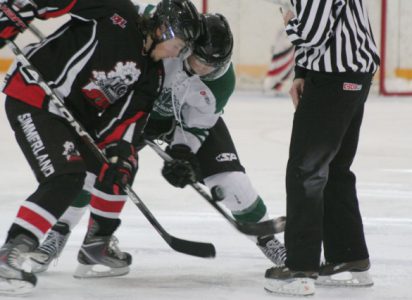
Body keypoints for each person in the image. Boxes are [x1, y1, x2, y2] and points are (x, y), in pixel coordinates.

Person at [27, 12, 287, 275]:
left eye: (214, 66)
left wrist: (182, 152)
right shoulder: (165, 46)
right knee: (90, 172)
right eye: (200, 61)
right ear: (187, 46)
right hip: (132, 112)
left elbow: (198, 124)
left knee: (230, 181)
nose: (205, 70)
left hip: (180, 122)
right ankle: (59, 234)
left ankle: (269, 241)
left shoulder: (221, 82)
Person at [0, 0, 202, 295]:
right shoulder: (118, 12)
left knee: (123, 165)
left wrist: (120, 153)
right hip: (35, 97)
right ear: (162, 28)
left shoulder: (152, 73)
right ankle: (12, 252)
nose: (178, 53)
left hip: (72, 118)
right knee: (67, 177)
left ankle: (97, 244)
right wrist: (16, 13)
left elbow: (129, 120)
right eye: (179, 44)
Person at [264, 0, 380, 296]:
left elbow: (311, 34)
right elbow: (321, 28)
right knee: (334, 168)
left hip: (334, 78)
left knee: (306, 169)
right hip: (349, 76)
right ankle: (348, 256)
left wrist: (287, 16)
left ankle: (300, 268)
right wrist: (302, 72)